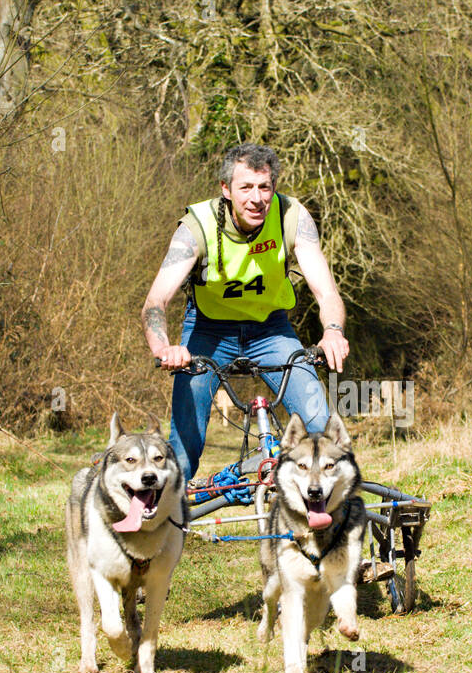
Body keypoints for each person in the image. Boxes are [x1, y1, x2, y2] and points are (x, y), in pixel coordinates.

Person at [142, 143, 350, 484]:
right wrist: (165, 349)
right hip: (208, 331)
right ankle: (167, 513)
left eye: (265, 187)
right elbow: (155, 302)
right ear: (226, 190)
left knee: (319, 422)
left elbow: (326, 292)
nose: (257, 198)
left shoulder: (291, 217)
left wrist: (332, 331)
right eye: (246, 188)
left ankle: (328, 510)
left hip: (272, 331)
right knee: (185, 437)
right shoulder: (197, 227)